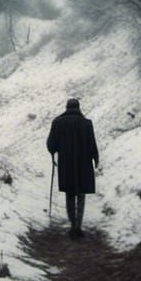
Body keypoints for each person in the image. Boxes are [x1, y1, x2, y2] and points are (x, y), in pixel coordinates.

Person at [46, 97, 99, 237]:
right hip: (84, 164)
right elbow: (92, 143)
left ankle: (72, 223)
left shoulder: (57, 122)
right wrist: (95, 158)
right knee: (81, 194)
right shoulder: (87, 123)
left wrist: (53, 153)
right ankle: (78, 226)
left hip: (66, 164)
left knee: (69, 193)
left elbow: (51, 144)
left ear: (66, 107)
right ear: (78, 108)